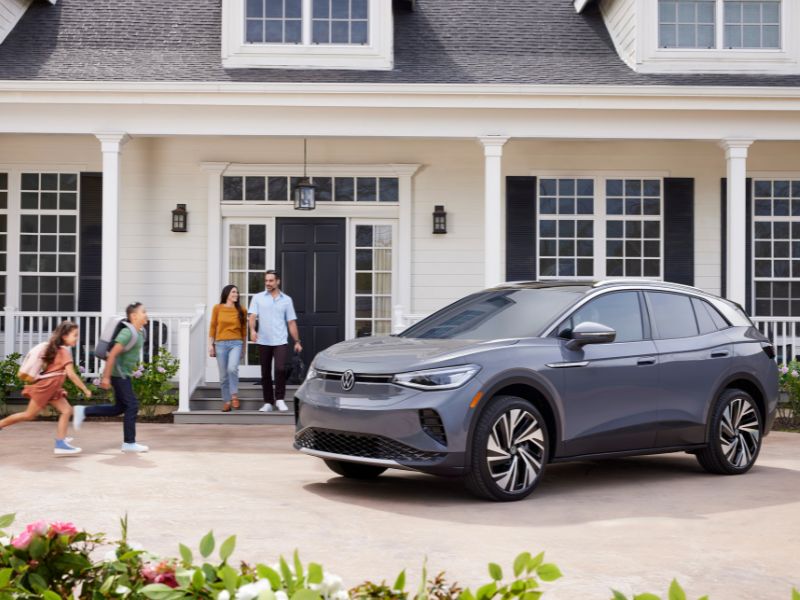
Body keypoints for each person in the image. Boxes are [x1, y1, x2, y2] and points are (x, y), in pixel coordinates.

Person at [0, 321, 92, 456]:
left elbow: (54, 373)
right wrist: (85, 389)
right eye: (75, 335)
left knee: (66, 411)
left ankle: (61, 442)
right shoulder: (63, 352)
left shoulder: (55, 350)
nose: (77, 338)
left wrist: (59, 389)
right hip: (46, 388)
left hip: (51, 388)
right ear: (64, 336)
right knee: (29, 415)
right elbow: (71, 374)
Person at [73, 302, 149, 453]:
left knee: (119, 408)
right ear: (134, 316)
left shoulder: (140, 331)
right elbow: (113, 354)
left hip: (123, 374)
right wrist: (106, 377)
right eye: (143, 312)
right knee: (132, 405)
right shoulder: (127, 333)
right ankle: (129, 443)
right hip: (118, 374)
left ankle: (83, 411)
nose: (146, 314)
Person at [248, 270, 302, 412]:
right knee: (265, 372)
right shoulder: (258, 298)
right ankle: (268, 402)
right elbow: (252, 316)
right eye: (266, 281)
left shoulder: (287, 300)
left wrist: (297, 341)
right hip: (263, 340)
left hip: (280, 340)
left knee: (280, 369)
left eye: (271, 281)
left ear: (277, 281)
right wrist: (252, 330)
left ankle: (279, 399)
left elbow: (291, 322)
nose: (268, 283)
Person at [209, 284, 247, 412]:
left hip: (236, 343)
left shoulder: (241, 310)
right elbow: (213, 327)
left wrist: (244, 348)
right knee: (223, 376)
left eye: (237, 292)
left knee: (232, 368)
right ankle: (226, 401)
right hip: (220, 344)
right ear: (227, 294)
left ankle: (234, 395)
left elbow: (243, 331)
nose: (236, 294)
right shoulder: (217, 308)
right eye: (233, 292)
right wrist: (210, 345)